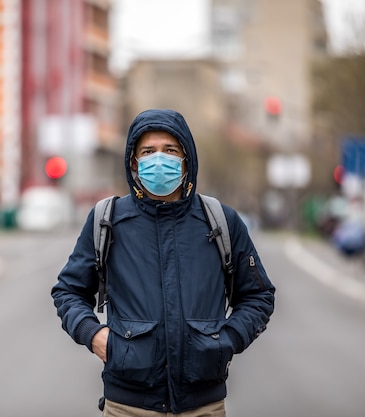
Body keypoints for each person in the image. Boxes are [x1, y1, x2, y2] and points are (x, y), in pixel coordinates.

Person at [51, 109, 275, 416]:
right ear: (134, 161)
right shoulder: (109, 221)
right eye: (148, 151)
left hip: (204, 405)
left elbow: (258, 295)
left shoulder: (221, 221)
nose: (159, 159)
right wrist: (95, 336)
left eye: (170, 150)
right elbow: (68, 292)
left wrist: (228, 340)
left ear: (186, 159)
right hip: (127, 405)